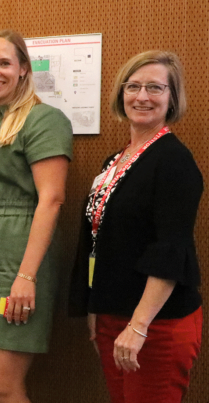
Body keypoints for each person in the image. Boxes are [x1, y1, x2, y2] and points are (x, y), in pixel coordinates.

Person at [69, 51, 202, 403]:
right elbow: (99, 238)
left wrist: (139, 326)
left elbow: (171, 250)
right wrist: (96, 306)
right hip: (115, 314)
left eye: (155, 88)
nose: (142, 96)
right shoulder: (115, 160)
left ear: (172, 99)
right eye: (133, 86)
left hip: (154, 324)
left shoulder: (174, 161)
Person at [0, 30, 73, 402]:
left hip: (15, 263)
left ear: (23, 69)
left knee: (4, 388)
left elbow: (51, 199)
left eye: (4, 63)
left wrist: (26, 276)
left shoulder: (43, 120)